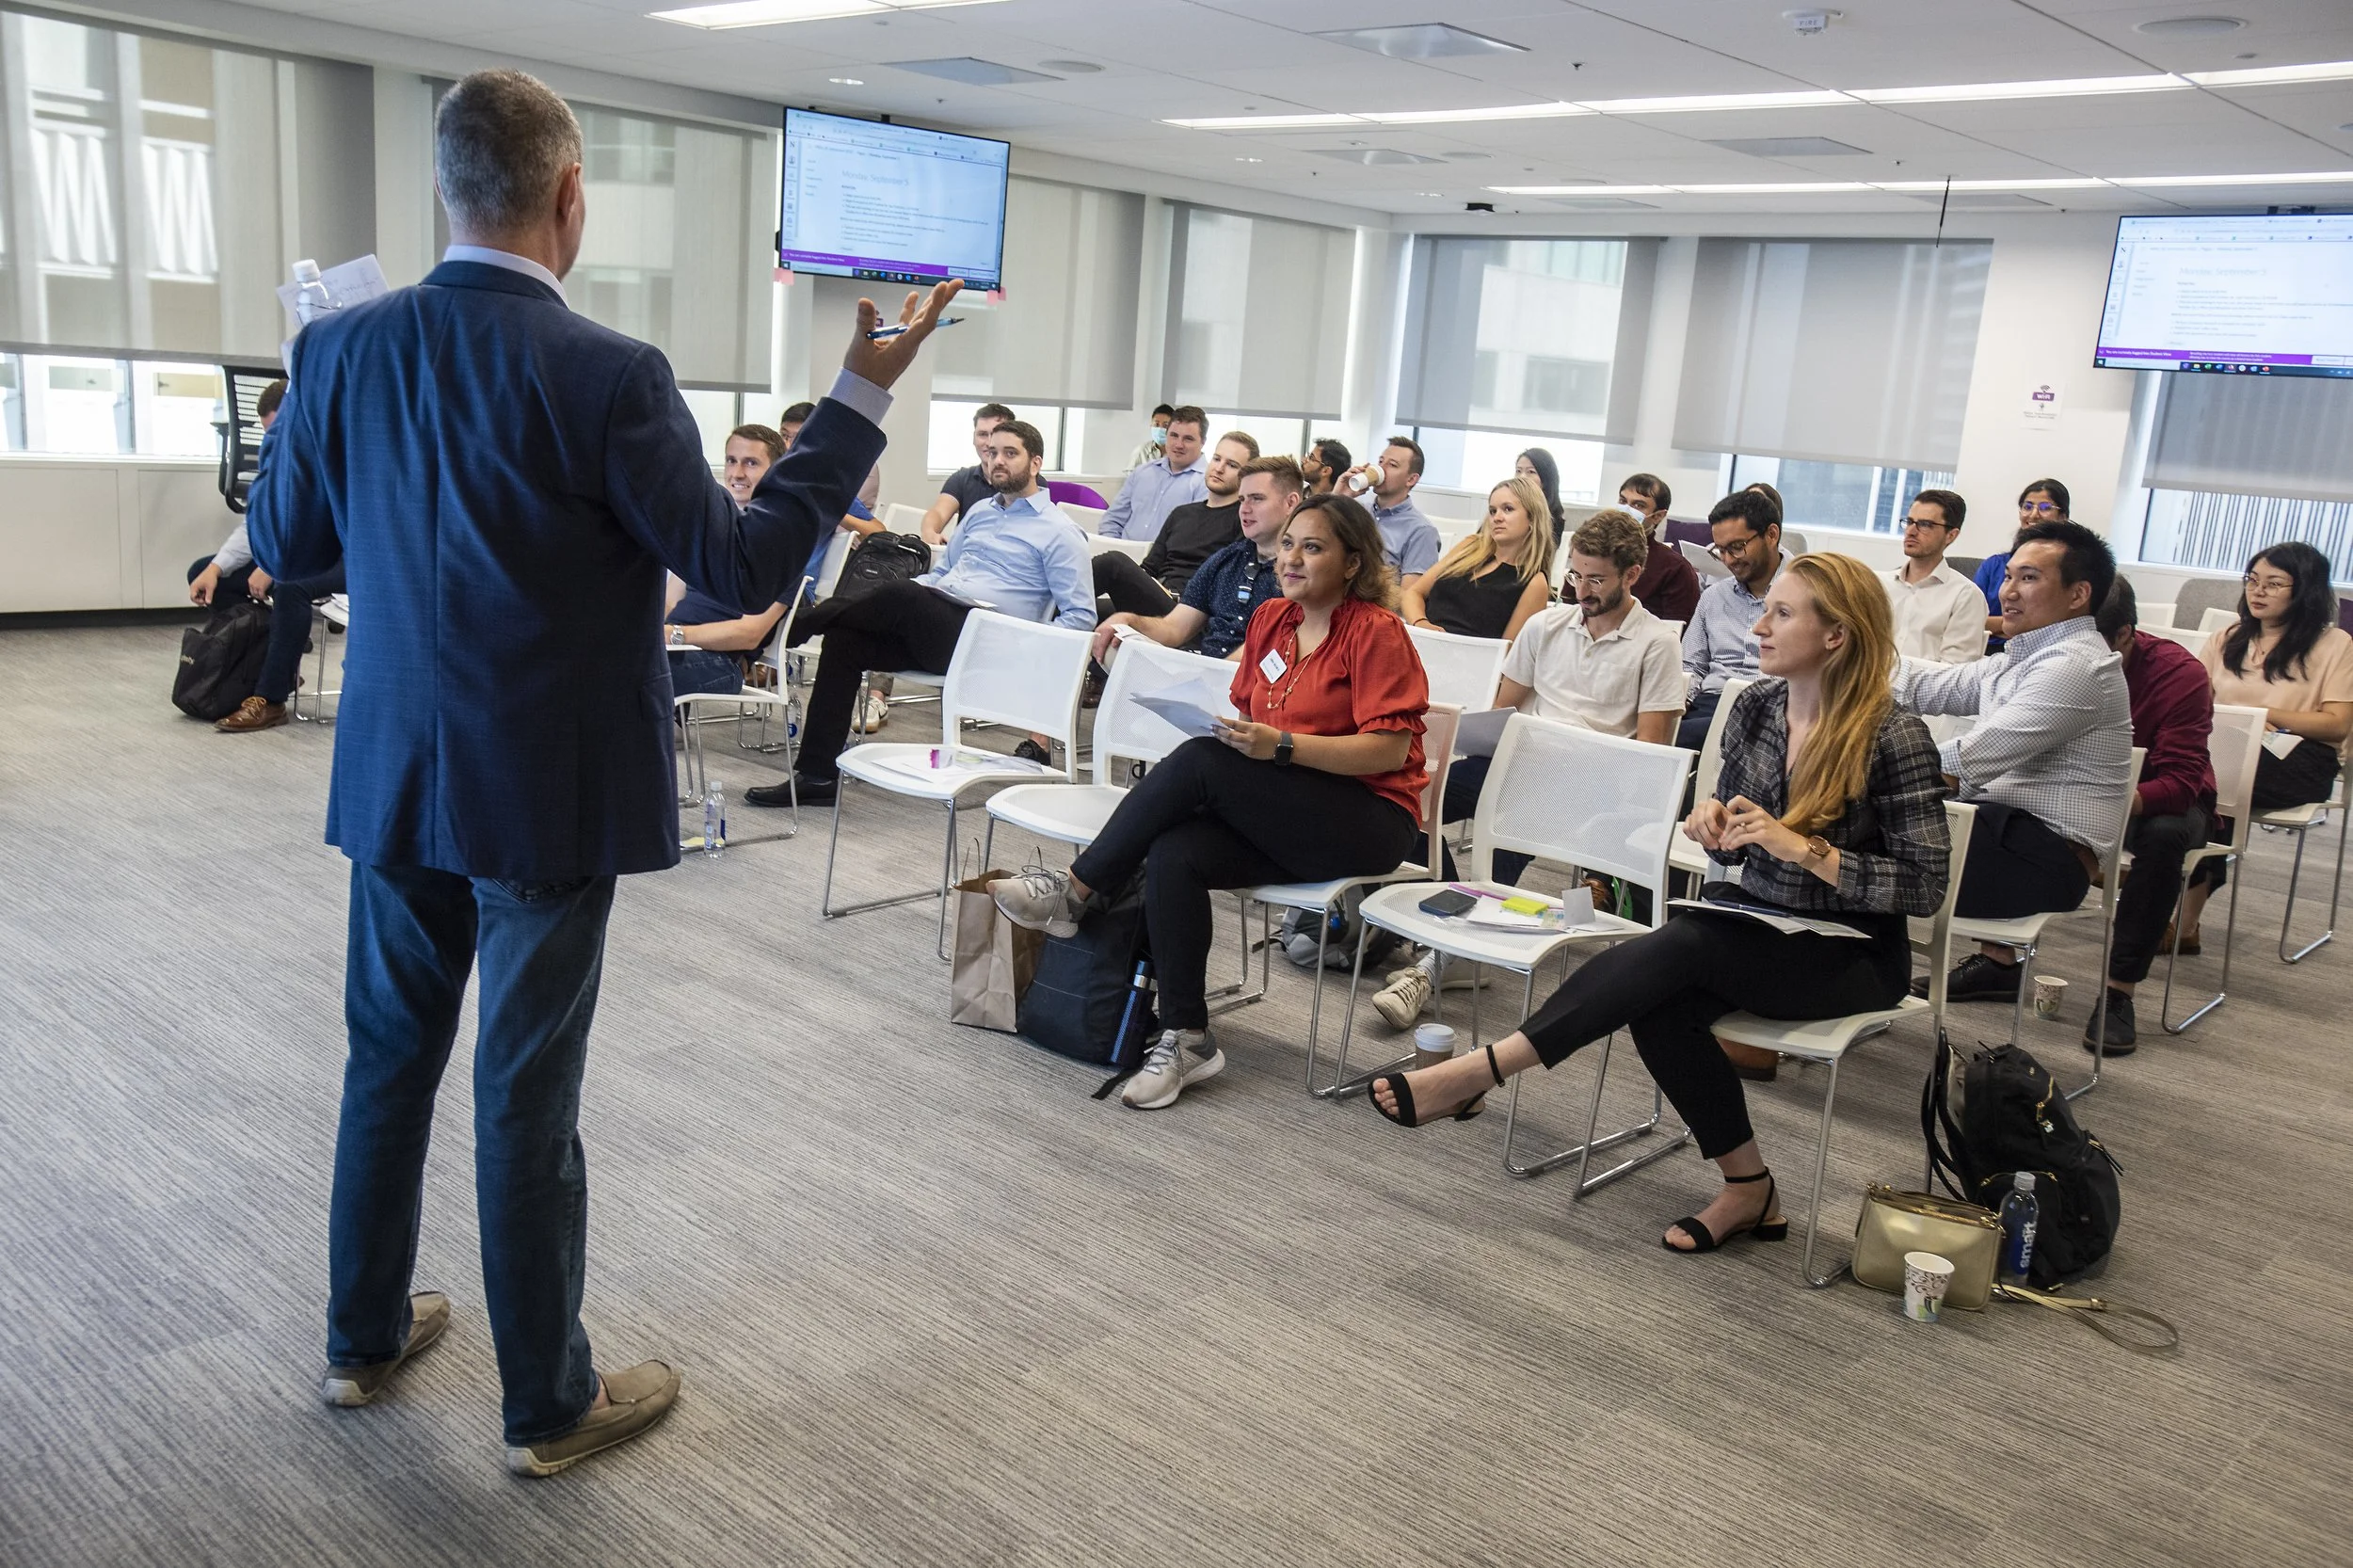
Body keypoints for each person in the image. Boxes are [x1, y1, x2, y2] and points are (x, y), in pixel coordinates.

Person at [247, 69, 948, 1476]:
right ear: (571, 196)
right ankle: (546, 1405)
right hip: (545, 786)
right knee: (524, 1089)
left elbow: (291, 549)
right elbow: (742, 556)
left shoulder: (338, 349)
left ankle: (360, 1339)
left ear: (444, 191)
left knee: (388, 1057)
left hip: (394, 771)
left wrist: (316, 419)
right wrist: (862, 391)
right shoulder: (609, 371)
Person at [1368, 553, 1949, 1258]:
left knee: (1680, 948)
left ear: (1837, 635)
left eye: (1782, 613)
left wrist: (1809, 851)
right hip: (1754, 921)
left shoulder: (1893, 734)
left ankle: (1479, 1072)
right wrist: (1716, 825)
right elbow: (1740, 838)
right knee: (1661, 996)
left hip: (1850, 951)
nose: (1758, 627)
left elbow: (1924, 885)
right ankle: (1750, 1187)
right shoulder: (1758, 707)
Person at [991, 494, 1429, 1111]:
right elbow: (1255, 724)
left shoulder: (1376, 632)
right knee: (1176, 852)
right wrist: (1252, 744)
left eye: (1312, 547)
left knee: (1200, 762)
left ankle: (1077, 887)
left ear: (1352, 563)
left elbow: (1388, 749)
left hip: (1369, 817)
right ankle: (1188, 1036)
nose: (1291, 558)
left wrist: (1279, 746)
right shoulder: (1272, 619)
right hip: (1288, 805)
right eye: (1288, 544)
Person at [1371, 507, 1686, 1030]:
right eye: (1575, 575)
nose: (1581, 590)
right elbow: (1506, 709)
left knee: (1506, 844)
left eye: (1596, 580)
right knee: (1407, 797)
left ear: (1632, 575)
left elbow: (1650, 753)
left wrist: (1568, 755)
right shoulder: (1546, 626)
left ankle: (1434, 963)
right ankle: (1453, 934)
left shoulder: (1656, 644)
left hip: (1595, 781)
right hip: (1524, 763)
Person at [749, 417, 1094, 808]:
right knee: (846, 640)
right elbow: (944, 573)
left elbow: (1080, 617)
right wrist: (923, 589)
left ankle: (784, 629)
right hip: (940, 626)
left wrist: (1026, 647)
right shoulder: (980, 512)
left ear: (1035, 463)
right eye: (992, 452)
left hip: (991, 644)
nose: (997, 460)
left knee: (903, 593)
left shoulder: (1060, 532)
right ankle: (817, 775)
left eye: (1010, 453)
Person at [1903, 520, 2133, 1003]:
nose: (2007, 592)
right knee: (1856, 835)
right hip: (2006, 833)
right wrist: (1846, 663)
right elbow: (1929, 686)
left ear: (2078, 594)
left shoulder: (2075, 666)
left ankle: (1853, 972)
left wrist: (1857, 768)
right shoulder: (2022, 657)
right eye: (2008, 576)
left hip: (2047, 859)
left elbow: (1968, 760)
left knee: (1859, 836)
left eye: (2028, 578)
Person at [2171, 542, 2353, 953]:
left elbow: (2337, 723)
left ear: (2304, 590)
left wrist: (2263, 714)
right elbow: (2194, 701)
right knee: (2195, 777)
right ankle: (2178, 909)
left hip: (2299, 758)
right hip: (2225, 749)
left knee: (2208, 784)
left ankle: (2173, 897)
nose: (2258, 591)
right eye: (2252, 580)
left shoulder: (2334, 644)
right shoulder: (2228, 637)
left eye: (2273, 584)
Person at [2085, 578, 2215, 1054]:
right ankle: (2000, 960)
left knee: (2164, 837)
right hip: (2081, 791)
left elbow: (2180, 784)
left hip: (2159, 799)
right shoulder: (2047, 659)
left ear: (2124, 634)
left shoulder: (2179, 674)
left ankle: (2119, 993)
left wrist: (2105, 801)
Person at [662, 424, 878, 698]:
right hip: (676, 649)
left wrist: (674, 635)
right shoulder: (710, 530)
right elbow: (670, 602)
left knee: (634, 669)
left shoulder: (783, 548)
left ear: (776, 473)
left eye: (751, 463)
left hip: (718, 662)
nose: (737, 473)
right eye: (731, 461)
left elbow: (749, 633)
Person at [1092, 455, 1299, 665]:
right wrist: (1129, 621)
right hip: (1203, 667)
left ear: (1290, 503)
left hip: (1252, 678)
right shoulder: (1226, 560)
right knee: (1110, 637)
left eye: (1257, 498)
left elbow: (1271, 646)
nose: (1245, 509)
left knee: (1113, 565)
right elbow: (1174, 628)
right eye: (1242, 500)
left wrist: (1206, 674)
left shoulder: (1300, 572)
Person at [1091, 429, 1255, 617]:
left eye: (1232, 465)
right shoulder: (1182, 513)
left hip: (1189, 612)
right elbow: (1149, 568)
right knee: (1084, 610)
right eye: (1217, 459)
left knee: (1113, 563)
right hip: (1158, 596)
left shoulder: (1243, 521)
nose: (1219, 468)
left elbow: (1226, 584)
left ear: (1246, 476)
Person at [1677, 489, 1784, 750]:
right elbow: (1691, 665)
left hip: (1770, 709)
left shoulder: (1805, 597)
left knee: (1668, 742)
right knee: (1655, 731)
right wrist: (1678, 704)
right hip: (1710, 703)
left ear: (1771, 535)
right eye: (1720, 550)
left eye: (1737, 547)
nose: (1728, 560)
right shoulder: (1714, 597)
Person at [1400, 473, 1555, 642]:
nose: (1497, 518)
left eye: (1508, 509)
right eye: (1493, 511)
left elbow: (1507, 652)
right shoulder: (1471, 546)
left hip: (1467, 655)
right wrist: (1421, 623)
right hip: (1420, 639)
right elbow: (1413, 593)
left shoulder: (1534, 582)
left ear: (1532, 517)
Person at [187, 376, 286, 608]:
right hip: (282, 557)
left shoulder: (321, 461)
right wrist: (215, 568)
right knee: (202, 572)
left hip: (318, 561)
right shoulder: (274, 467)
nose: (271, 442)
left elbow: (316, 535)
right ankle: (256, 629)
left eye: (277, 432)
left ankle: (281, 630)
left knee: (288, 588)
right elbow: (254, 529)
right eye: (268, 434)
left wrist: (272, 567)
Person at [1881, 488, 1987, 664]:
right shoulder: (1879, 584)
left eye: (1925, 524)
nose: (1911, 531)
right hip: (1870, 680)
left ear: (1951, 535)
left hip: (1923, 683)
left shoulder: (1965, 595)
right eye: (1909, 522)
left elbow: (1954, 671)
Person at [1975, 478, 2070, 648]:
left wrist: (1998, 625)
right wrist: (2017, 624)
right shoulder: (1994, 565)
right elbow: (1970, 620)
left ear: (2062, 517)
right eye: (2027, 507)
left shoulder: (2067, 569)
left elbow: (2057, 626)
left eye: (2045, 508)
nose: (2033, 515)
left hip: (2041, 652)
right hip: (1984, 649)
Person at [1098, 406, 1208, 541]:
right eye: (1174, 435)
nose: (1179, 444)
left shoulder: (1207, 484)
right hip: (1122, 551)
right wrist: (1114, 546)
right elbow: (1112, 520)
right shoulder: (1142, 472)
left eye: (1188, 439)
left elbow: (1194, 539)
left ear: (1203, 442)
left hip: (1168, 555)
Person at [1337, 436, 1442, 577]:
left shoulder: (1421, 531)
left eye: (1392, 465)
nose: (1381, 469)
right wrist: (1339, 496)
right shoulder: (1358, 512)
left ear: (1411, 479)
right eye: (1381, 461)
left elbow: (1411, 589)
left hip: (1378, 591)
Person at [918, 402, 1015, 546]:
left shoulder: (1028, 481)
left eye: (996, 434)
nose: (989, 443)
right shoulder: (962, 478)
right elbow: (938, 513)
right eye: (982, 434)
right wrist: (929, 532)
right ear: (974, 438)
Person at [1615, 472, 1702, 629]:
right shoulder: (1594, 551)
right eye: (1623, 501)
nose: (1626, 510)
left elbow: (1675, 632)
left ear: (1658, 516)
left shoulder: (1675, 568)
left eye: (1638, 505)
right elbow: (1571, 606)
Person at [1515, 447, 1567, 545]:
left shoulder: (1554, 518)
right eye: (1518, 471)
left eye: (1531, 472)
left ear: (1545, 479)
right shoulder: (1506, 505)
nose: (1522, 477)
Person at [1124, 403, 1176, 472]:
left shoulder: (1179, 452)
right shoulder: (1141, 451)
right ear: (1151, 425)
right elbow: (1130, 476)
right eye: (1156, 424)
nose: (1160, 429)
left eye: (1165, 425)